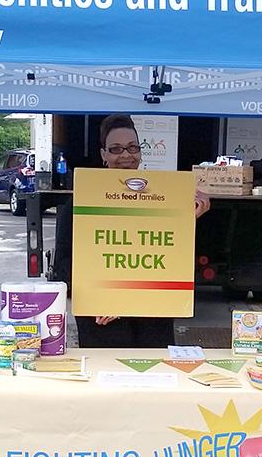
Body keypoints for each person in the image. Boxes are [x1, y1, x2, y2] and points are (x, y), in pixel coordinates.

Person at [52, 114, 211, 348]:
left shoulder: (165, 199)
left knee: (154, 377)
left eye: (132, 147)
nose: (126, 155)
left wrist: (189, 219)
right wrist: (96, 299)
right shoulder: (79, 202)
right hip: (102, 317)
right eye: (115, 149)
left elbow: (171, 254)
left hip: (153, 316)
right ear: (103, 154)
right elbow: (64, 264)